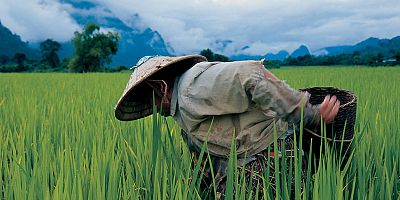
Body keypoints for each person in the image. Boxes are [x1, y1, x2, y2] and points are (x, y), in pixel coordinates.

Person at [114, 55, 340, 198]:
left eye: (149, 99)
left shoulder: (193, 87)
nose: (151, 109)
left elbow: (250, 73)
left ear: (160, 87)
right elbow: (204, 158)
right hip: (248, 166)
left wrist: (308, 113)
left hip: (271, 162)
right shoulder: (181, 110)